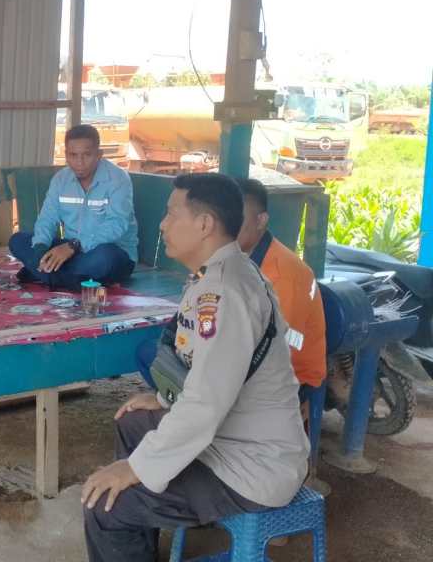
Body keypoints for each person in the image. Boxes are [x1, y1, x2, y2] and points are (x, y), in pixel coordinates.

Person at [81, 173, 309, 562]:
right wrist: (163, 399)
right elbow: (209, 371)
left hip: (251, 468)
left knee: (105, 506)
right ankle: (141, 542)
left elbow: (205, 403)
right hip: (230, 439)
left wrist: (134, 469)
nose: (162, 224)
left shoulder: (226, 292)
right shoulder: (219, 273)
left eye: (172, 214)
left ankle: (132, 517)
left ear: (204, 225)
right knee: (132, 422)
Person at [8, 124, 138, 290]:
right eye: (73, 155)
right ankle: (65, 276)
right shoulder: (61, 180)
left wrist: (74, 246)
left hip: (110, 252)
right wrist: (40, 250)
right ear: (66, 155)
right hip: (70, 252)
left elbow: (117, 224)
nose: (80, 162)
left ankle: (44, 274)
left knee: (105, 259)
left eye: (87, 155)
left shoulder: (117, 179)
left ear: (99, 155)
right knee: (18, 240)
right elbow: (47, 218)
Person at [236, 177, 327, 397]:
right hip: (249, 360)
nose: (227, 227)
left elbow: (277, 350)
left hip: (290, 377)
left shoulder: (284, 275)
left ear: (261, 221)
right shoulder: (236, 256)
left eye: (237, 219)